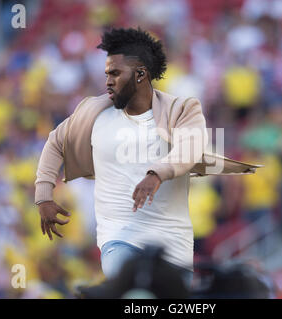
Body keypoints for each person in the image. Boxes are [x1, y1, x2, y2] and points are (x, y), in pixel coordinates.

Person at [34, 27, 260, 288]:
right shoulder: (94, 110)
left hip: (171, 238)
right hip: (118, 236)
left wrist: (157, 173)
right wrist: (43, 195)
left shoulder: (182, 109)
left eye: (116, 74)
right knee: (130, 292)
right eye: (108, 73)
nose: (108, 81)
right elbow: (54, 143)